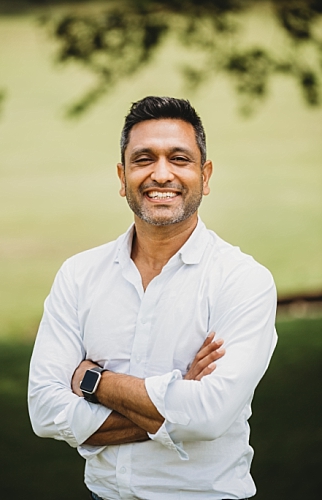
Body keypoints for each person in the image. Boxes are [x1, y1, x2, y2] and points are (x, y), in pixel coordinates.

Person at [27, 96, 277, 499]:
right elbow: (43, 410)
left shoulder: (243, 280)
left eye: (179, 159)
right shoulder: (79, 275)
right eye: (144, 160)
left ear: (205, 175)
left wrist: (93, 382)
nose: (161, 174)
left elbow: (210, 416)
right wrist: (177, 398)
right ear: (122, 175)